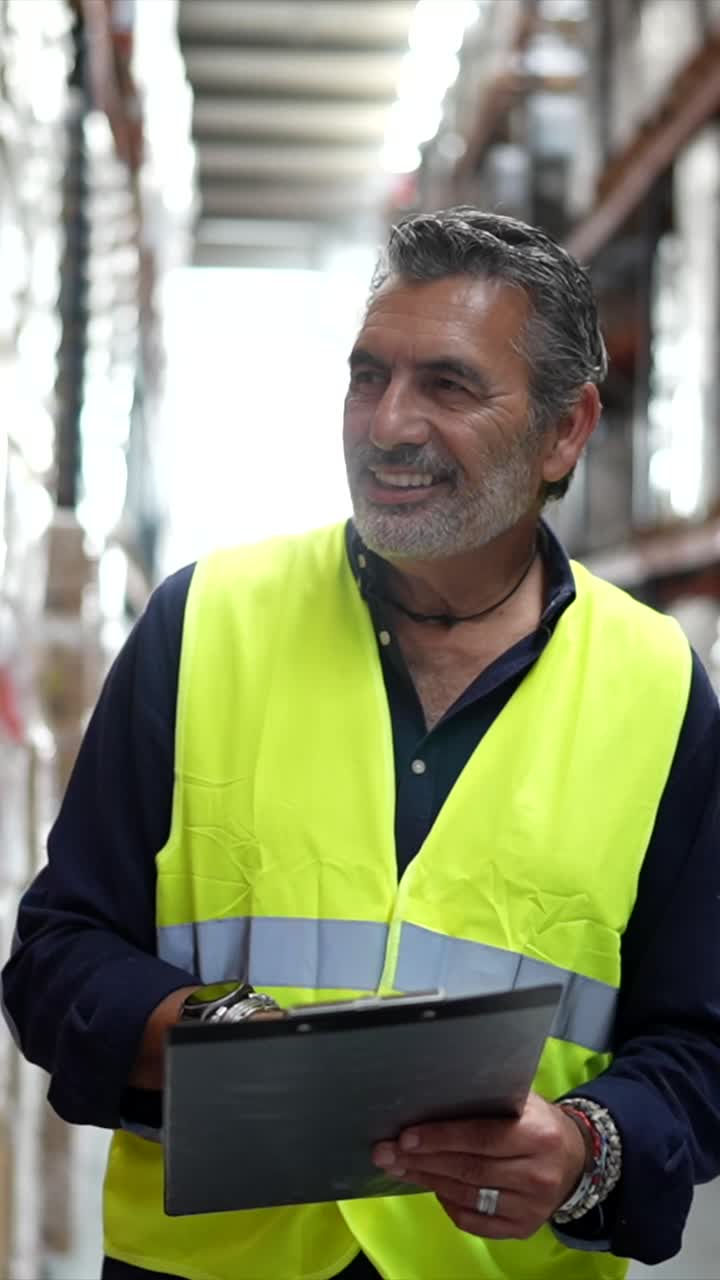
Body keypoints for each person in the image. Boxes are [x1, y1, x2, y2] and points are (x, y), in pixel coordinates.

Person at [3, 207, 720, 1280]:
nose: (387, 423)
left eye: (448, 384)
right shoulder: (205, 622)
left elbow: (699, 1043)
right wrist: (216, 1025)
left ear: (566, 429)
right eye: (365, 375)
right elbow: (56, 957)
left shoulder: (657, 686)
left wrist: (584, 1146)